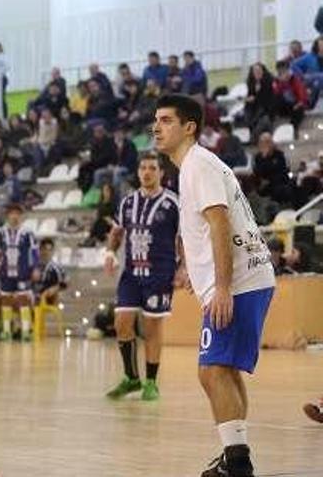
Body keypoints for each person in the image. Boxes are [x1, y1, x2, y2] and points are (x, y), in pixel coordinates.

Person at [154, 94, 275, 477]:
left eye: (167, 120)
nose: (157, 127)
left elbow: (219, 222)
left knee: (212, 371)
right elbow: (206, 227)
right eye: (155, 120)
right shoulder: (196, 165)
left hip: (238, 282)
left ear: (189, 127)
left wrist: (221, 286)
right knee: (225, 370)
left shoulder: (197, 164)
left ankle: (238, 463)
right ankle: (234, 455)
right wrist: (195, 268)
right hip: (250, 277)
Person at [103, 152, 181, 402]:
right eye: (143, 168)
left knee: (151, 328)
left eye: (152, 168)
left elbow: (185, 239)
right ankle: (131, 378)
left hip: (160, 274)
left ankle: (151, 382)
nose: (147, 172)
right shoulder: (127, 203)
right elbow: (117, 232)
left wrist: (184, 269)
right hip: (131, 273)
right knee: (121, 323)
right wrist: (109, 252)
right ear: (138, 173)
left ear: (161, 173)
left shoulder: (173, 203)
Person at [0, 204, 37, 341]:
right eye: (12, 213)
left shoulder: (28, 232)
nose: (14, 216)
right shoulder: (0, 232)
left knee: (23, 299)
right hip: (6, 271)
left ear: (21, 215)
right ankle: (7, 331)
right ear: (7, 215)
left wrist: (35, 268)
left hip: (23, 271)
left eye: (17, 213)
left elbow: (34, 252)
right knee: (5, 299)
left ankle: (25, 331)